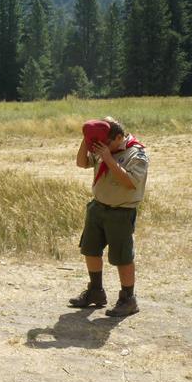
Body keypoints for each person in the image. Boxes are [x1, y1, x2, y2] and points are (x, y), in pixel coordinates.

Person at [69, 117, 148, 317]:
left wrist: (108, 159)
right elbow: (81, 163)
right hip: (98, 207)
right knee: (90, 249)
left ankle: (128, 299)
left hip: (121, 211)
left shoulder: (136, 153)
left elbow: (130, 182)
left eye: (108, 142)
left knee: (122, 256)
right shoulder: (104, 148)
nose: (104, 146)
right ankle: (95, 291)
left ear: (119, 137)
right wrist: (87, 140)